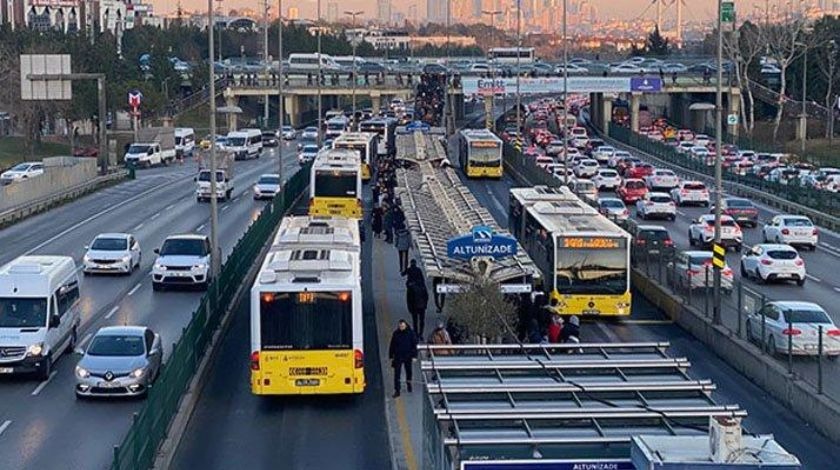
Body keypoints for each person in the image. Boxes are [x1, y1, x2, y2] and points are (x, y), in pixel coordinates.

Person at [388, 319, 417, 397]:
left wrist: (414, 356)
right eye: (400, 326)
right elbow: (392, 345)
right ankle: (397, 390)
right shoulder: (396, 334)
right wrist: (391, 356)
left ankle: (409, 384)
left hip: (408, 356)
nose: (401, 327)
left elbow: (414, 345)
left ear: (405, 325)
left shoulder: (411, 333)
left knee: (409, 371)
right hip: (398, 356)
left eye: (402, 326)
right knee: (397, 374)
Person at [406, 273, 429, 338]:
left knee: (415, 321)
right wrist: (425, 304)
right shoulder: (423, 287)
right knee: (421, 321)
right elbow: (426, 296)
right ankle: (420, 333)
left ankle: (416, 333)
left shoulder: (411, 288)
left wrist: (409, 307)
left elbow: (409, 299)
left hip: (414, 307)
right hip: (422, 307)